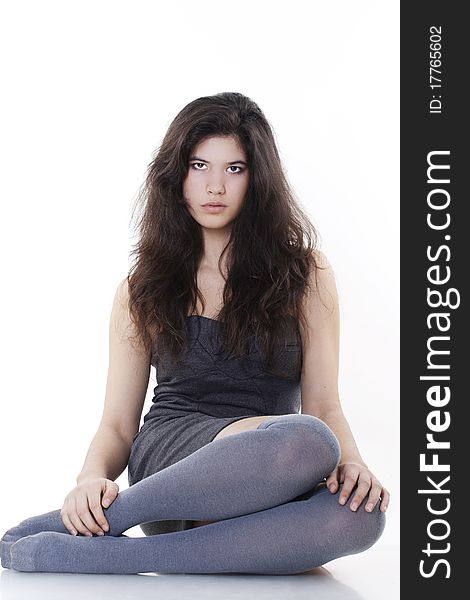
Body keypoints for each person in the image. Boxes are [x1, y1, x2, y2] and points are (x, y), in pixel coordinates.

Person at [1, 92, 389, 575]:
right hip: (173, 466)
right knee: (308, 441)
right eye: (199, 165)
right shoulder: (140, 289)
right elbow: (119, 425)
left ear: (258, 179)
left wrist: (353, 466)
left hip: (271, 464)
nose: (214, 186)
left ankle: (115, 556)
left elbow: (326, 404)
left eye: (235, 169)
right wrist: (89, 480)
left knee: (361, 516)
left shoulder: (305, 274)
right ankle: (106, 520)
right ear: (176, 175)